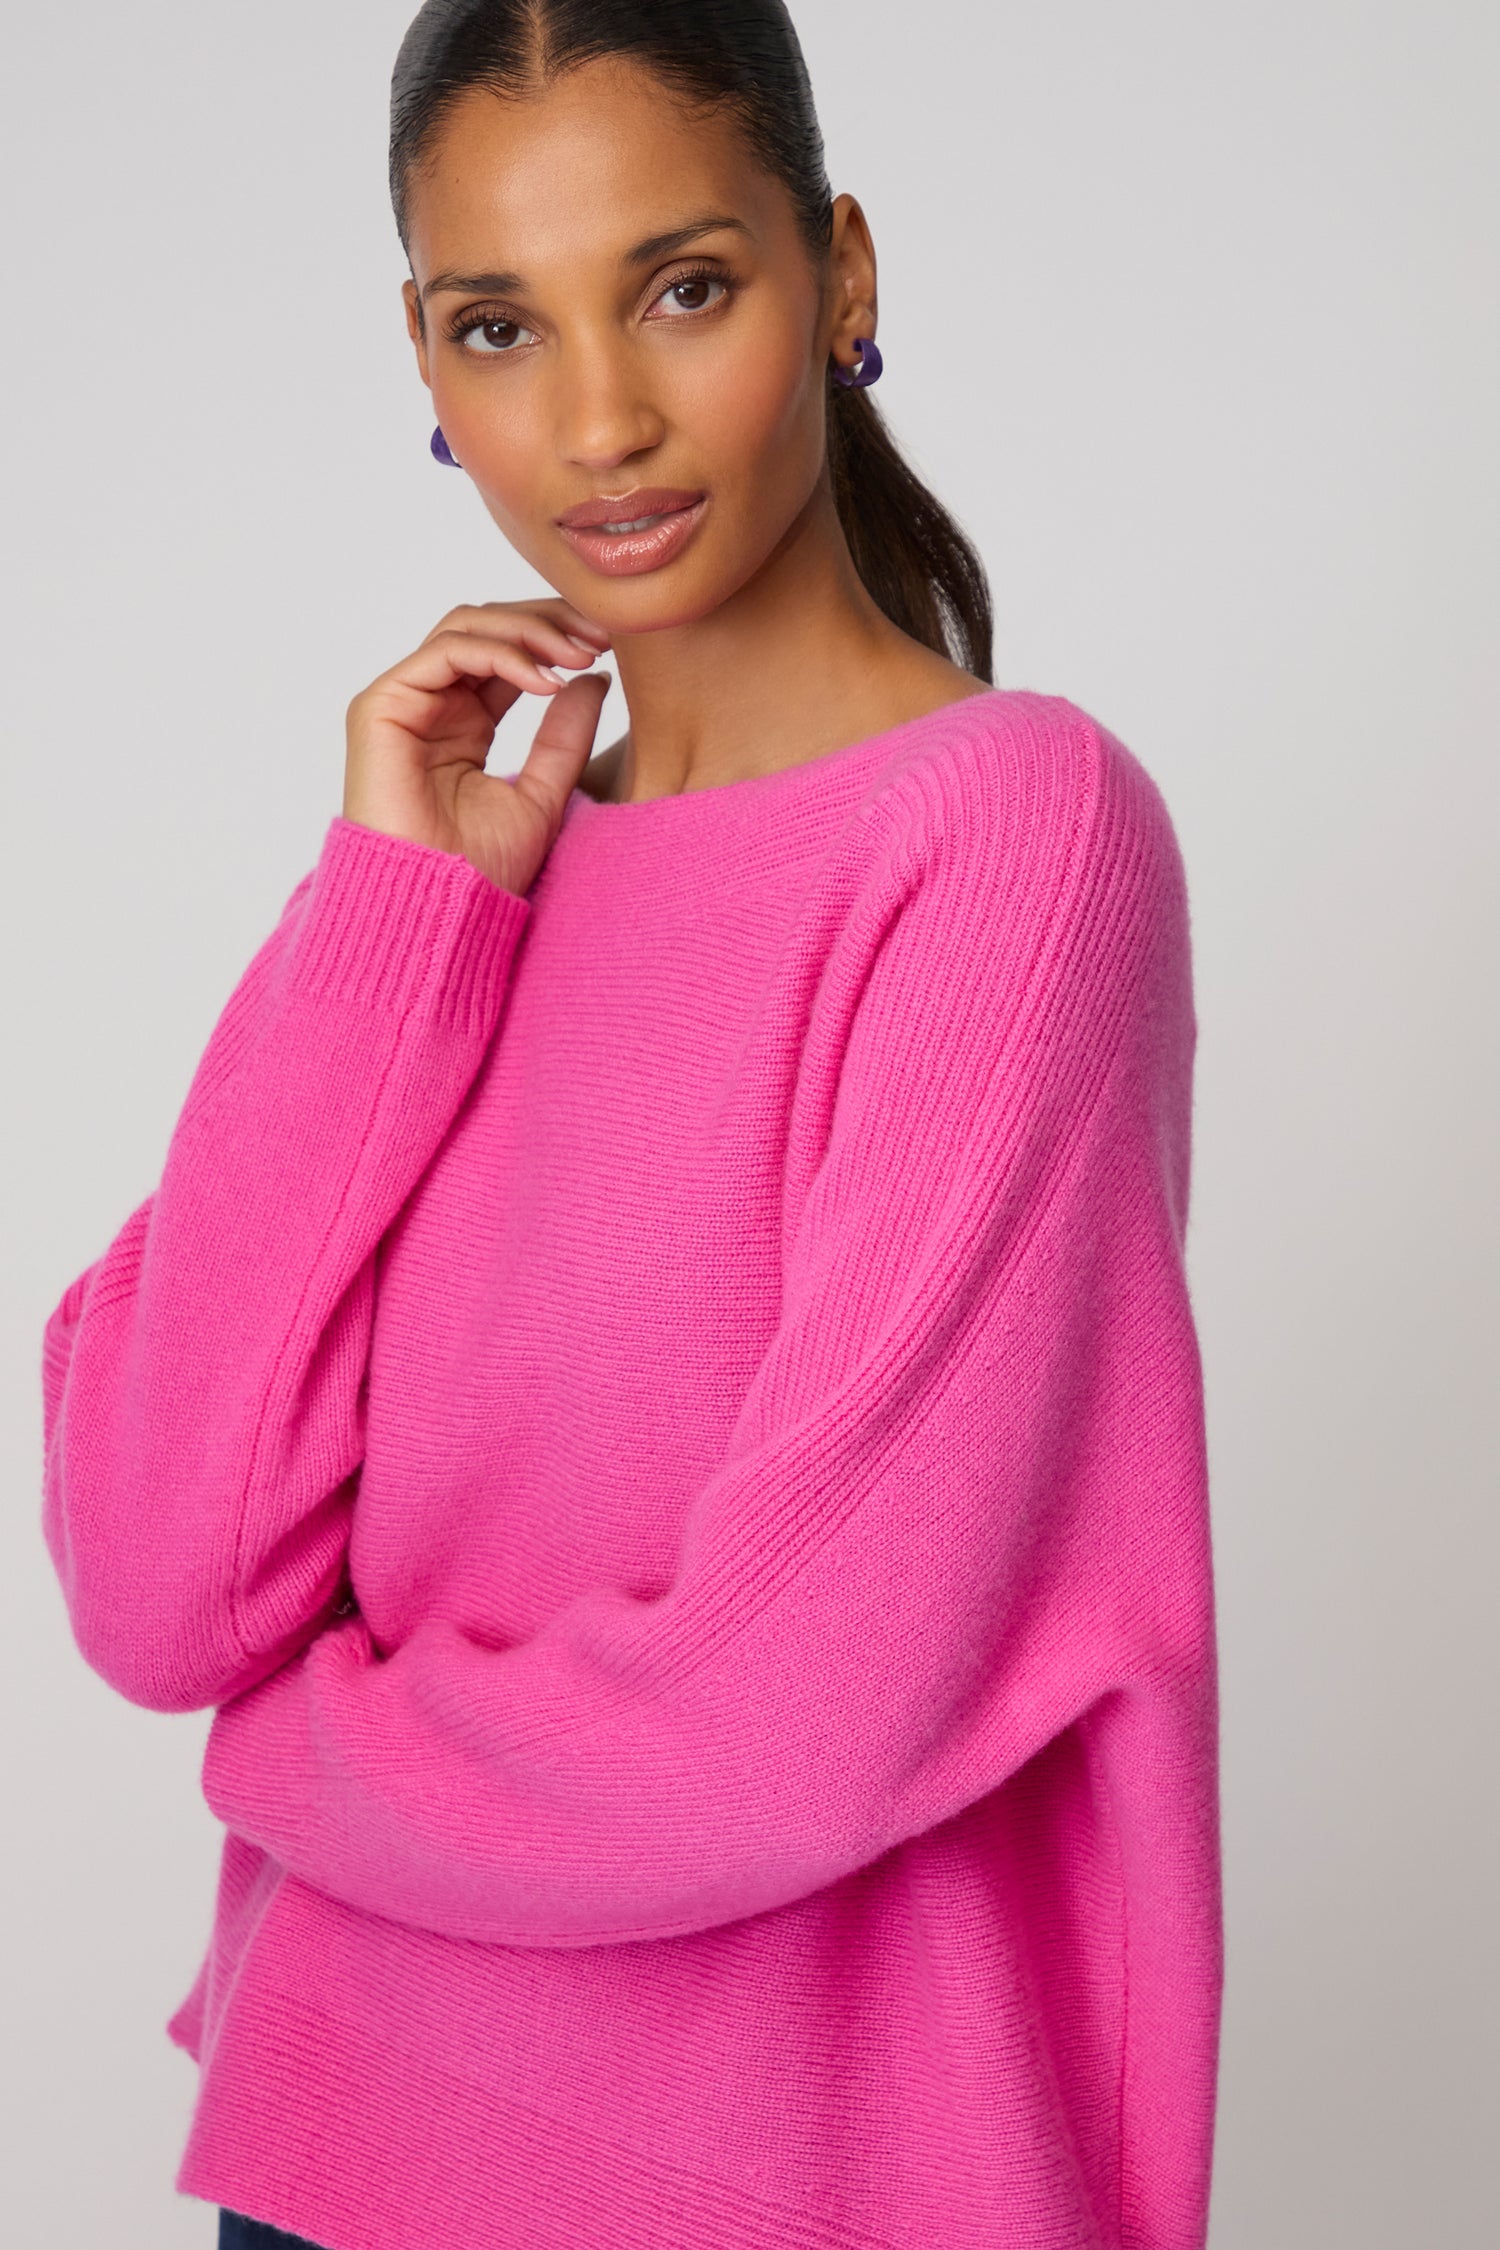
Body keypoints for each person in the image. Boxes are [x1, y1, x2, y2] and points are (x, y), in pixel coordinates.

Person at [40, 3, 1223, 2246]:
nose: (597, 419)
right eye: (501, 324)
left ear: (841, 274)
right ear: (424, 357)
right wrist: (400, 921)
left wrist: (303, 1764)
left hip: (787, 2187)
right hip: (334, 2159)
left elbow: (804, 1705)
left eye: (685, 287)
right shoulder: (444, 892)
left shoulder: (1010, 837)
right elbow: (156, 1571)